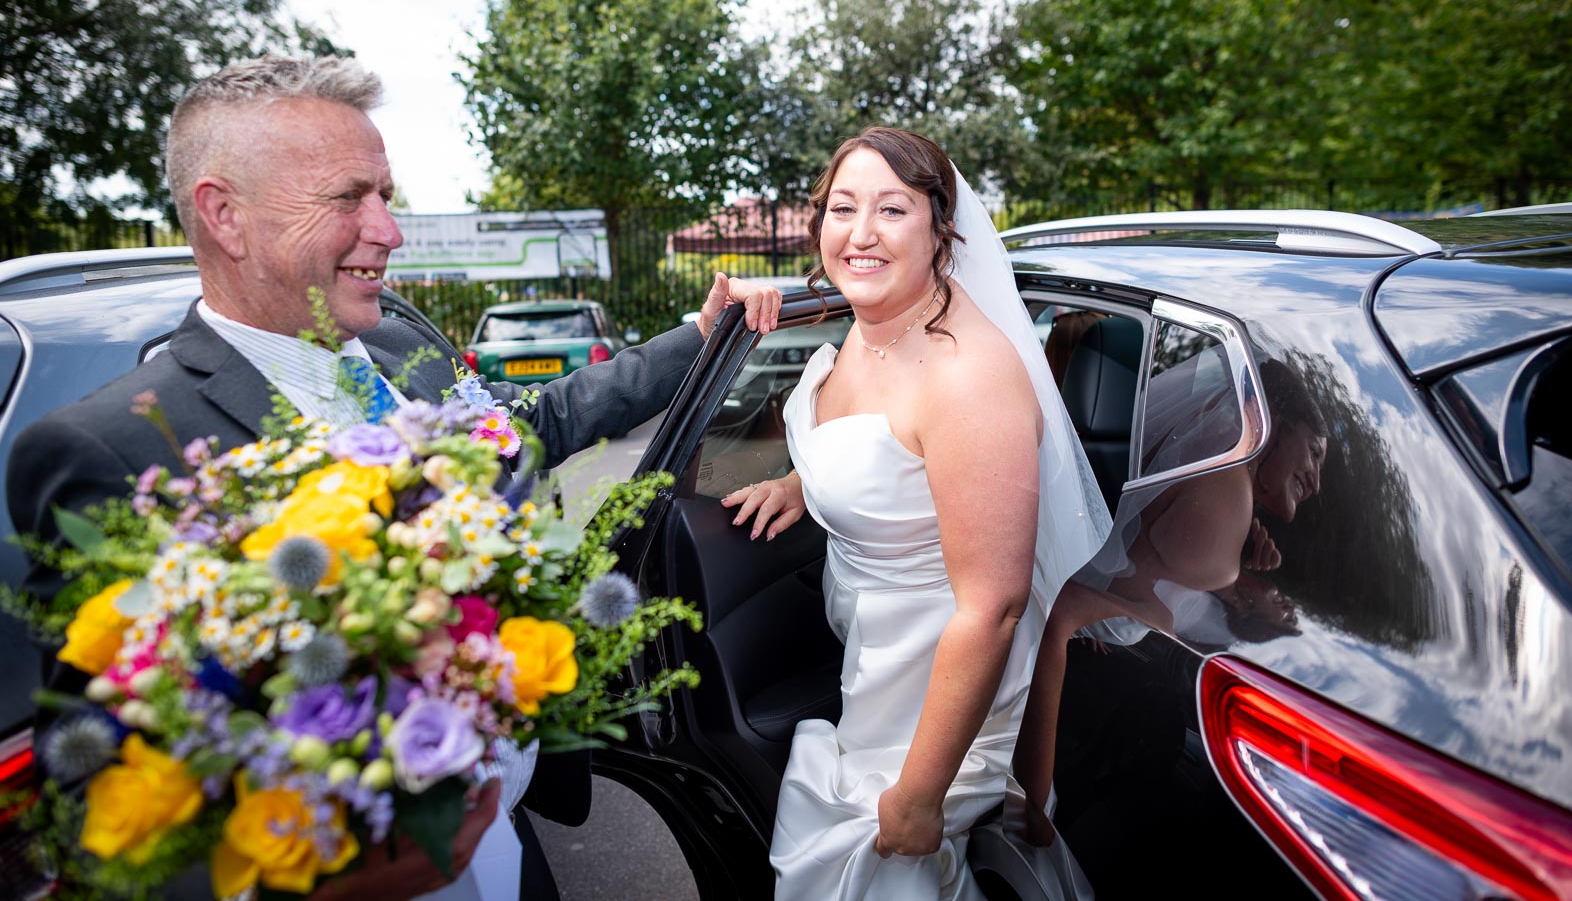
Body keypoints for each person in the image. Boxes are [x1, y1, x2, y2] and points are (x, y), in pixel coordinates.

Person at [4, 55, 782, 901]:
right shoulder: (109, 448)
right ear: (224, 214)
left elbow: (533, 426)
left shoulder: (402, 353)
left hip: (514, 855)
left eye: (385, 195)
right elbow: (90, 796)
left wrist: (699, 336)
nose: (389, 229)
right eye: (348, 198)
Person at [721, 127, 1109, 900]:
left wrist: (921, 791)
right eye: (843, 207)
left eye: (892, 210)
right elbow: (898, 453)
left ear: (940, 227)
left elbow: (993, 607)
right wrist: (807, 481)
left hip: (939, 690)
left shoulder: (969, 379)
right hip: (876, 657)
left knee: (869, 870)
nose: (860, 234)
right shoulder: (872, 328)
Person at [1012, 358, 1327, 846]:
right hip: (1061, 677)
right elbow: (1066, 613)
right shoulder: (1228, 505)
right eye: (1314, 452)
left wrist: (1238, 561)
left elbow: (1149, 559)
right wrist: (1034, 801)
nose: (1318, 479)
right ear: (1277, 428)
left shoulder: (1214, 473)